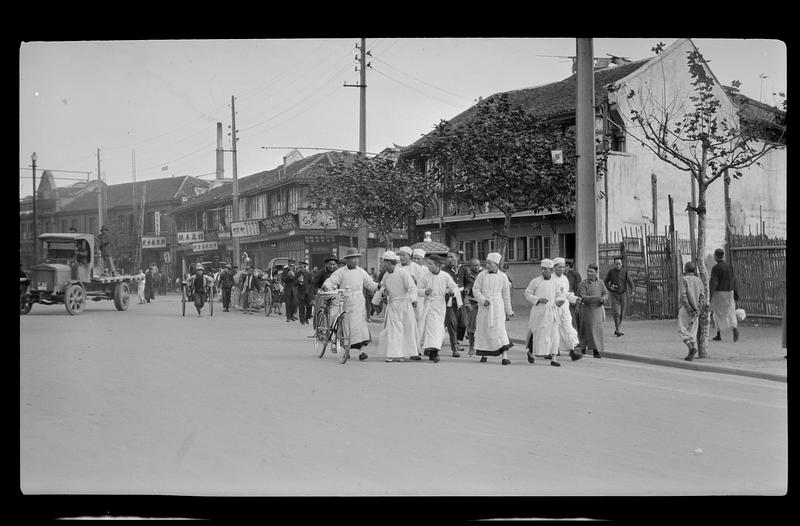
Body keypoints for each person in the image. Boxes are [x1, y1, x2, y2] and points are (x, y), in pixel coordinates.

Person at [323, 248, 379, 361]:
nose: (355, 261)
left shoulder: (361, 271)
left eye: (356, 258)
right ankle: (346, 350)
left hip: (359, 301)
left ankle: (362, 351)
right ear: (347, 260)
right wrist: (326, 286)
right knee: (347, 326)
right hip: (346, 300)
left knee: (360, 327)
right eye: (352, 258)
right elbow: (331, 281)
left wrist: (379, 286)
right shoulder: (341, 272)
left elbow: (370, 284)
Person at [371, 250, 418, 363]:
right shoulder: (386, 275)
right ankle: (392, 354)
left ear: (389, 262)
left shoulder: (403, 273)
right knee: (393, 330)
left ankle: (402, 354)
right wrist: (375, 302)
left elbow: (411, 287)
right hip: (393, 305)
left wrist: (413, 299)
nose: (382, 264)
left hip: (405, 304)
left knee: (405, 329)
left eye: (383, 262)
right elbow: (381, 288)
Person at [416, 254, 463, 363]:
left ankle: (433, 349)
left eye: (430, 264)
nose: (428, 266)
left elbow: (454, 288)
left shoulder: (445, 276)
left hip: (440, 305)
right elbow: (417, 290)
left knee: (438, 328)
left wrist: (452, 292)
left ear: (437, 265)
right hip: (428, 305)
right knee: (430, 328)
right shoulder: (425, 276)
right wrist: (424, 292)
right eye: (427, 264)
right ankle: (433, 352)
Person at [472, 252, 514, 365]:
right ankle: (484, 354)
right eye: (487, 263)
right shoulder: (481, 275)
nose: (487, 265)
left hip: (497, 306)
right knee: (484, 329)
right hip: (484, 307)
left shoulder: (503, 277)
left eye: (490, 263)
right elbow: (475, 290)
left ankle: (504, 356)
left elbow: (506, 295)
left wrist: (509, 310)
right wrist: (482, 300)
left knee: (499, 329)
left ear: (496, 264)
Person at [523, 259, 564, 367]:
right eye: (542, 269)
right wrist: (538, 299)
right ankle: (532, 353)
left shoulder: (556, 282)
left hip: (552, 311)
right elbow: (527, 294)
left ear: (551, 270)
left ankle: (554, 357)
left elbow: (559, 295)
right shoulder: (535, 281)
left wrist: (559, 301)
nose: (543, 271)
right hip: (539, 312)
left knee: (554, 334)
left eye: (546, 269)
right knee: (537, 333)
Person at [577, 264, 609, 358]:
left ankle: (589, 349)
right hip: (587, 309)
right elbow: (582, 297)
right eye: (588, 271)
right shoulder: (583, 284)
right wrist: (596, 298)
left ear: (596, 272)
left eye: (591, 271)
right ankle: (593, 350)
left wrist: (604, 298)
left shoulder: (601, 283)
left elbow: (605, 293)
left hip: (598, 309)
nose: (589, 273)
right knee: (589, 329)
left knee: (595, 330)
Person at [552, 257, 582, 361]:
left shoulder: (565, 279)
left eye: (563, 267)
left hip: (564, 307)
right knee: (554, 329)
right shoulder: (550, 279)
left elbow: (566, 294)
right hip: (553, 308)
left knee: (568, 326)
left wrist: (575, 299)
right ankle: (552, 350)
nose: (561, 269)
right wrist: (555, 302)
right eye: (559, 267)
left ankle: (574, 349)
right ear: (554, 268)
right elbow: (548, 294)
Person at [709, 248, 740, 344]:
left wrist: (710, 296)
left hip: (719, 292)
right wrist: (736, 293)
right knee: (730, 310)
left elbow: (714, 283)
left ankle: (718, 334)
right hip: (729, 291)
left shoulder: (716, 268)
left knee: (717, 313)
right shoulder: (729, 266)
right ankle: (734, 328)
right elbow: (734, 279)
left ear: (715, 256)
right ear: (723, 255)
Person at [678, 261, 705, 361]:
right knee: (693, 332)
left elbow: (684, 295)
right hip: (696, 310)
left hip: (685, 309)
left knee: (682, 330)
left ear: (685, 269)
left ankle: (691, 348)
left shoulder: (684, 279)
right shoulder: (699, 281)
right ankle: (690, 355)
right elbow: (702, 296)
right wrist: (698, 309)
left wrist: (688, 308)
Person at [442, 250, 466, 357]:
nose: (450, 259)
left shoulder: (463, 269)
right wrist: (448, 291)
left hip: (461, 299)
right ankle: (454, 347)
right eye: (448, 257)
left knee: (464, 323)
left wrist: (468, 289)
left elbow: (469, 280)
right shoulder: (444, 271)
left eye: (452, 257)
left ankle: (458, 340)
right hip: (449, 300)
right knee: (452, 323)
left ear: (457, 257)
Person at [604, 257, 635, 337]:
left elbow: (630, 282)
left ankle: (618, 328)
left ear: (622, 264)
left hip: (623, 294)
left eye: (619, 264)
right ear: (614, 264)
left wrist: (633, 291)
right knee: (616, 313)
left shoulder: (625, 272)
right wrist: (610, 287)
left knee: (622, 313)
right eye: (616, 264)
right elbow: (606, 282)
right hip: (614, 295)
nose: (618, 265)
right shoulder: (611, 272)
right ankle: (617, 329)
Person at [460, 258, 482, 356]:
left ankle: (483, 347)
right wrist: (466, 302)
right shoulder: (467, 276)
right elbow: (464, 290)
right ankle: (472, 347)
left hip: (482, 302)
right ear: (470, 266)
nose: (476, 267)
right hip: (471, 302)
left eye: (477, 265)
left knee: (483, 326)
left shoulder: (484, 274)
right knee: (471, 327)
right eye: (474, 265)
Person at [564, 259, 582, 333]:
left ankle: (575, 339)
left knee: (573, 320)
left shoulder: (575, 275)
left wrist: (577, 304)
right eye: (563, 266)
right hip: (561, 301)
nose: (565, 268)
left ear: (569, 267)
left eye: (567, 266)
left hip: (572, 301)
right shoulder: (558, 277)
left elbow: (578, 289)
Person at [295, 261, 313, 325]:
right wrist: (298, 281)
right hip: (300, 292)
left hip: (308, 293)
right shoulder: (297, 274)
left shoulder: (309, 274)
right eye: (300, 267)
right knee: (301, 307)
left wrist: (311, 292)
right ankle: (302, 320)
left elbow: (311, 283)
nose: (301, 268)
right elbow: (294, 283)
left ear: (305, 267)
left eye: (302, 267)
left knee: (309, 307)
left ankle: (307, 318)